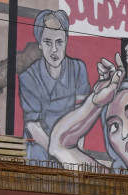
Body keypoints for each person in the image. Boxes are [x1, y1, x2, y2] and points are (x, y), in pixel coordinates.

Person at [49, 55, 128, 177]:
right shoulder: (116, 184)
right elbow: (58, 145)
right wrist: (96, 102)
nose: (124, 133)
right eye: (114, 126)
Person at [18, 10, 90, 163]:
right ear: (39, 43)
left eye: (59, 42)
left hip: (68, 146)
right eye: (47, 42)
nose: (54, 50)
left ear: (66, 41)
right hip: (40, 146)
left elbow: (82, 116)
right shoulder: (29, 77)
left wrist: (76, 154)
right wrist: (59, 154)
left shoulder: (78, 70)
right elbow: (33, 126)